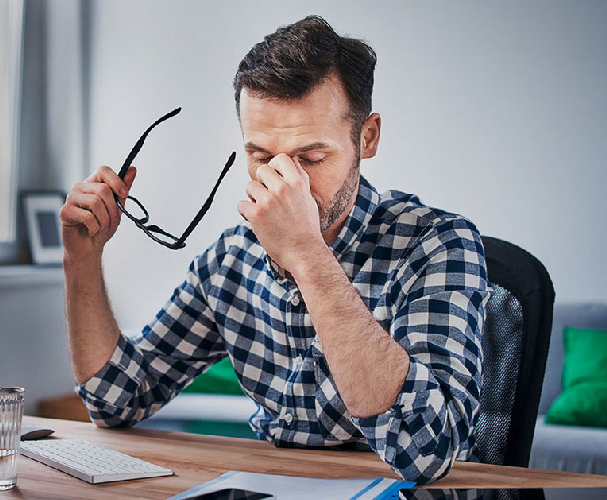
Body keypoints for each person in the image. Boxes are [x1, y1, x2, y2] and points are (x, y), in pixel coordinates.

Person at [59, 15, 489, 484]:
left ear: (367, 138)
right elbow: (115, 399)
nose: (286, 183)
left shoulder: (437, 245)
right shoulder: (231, 261)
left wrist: (307, 255)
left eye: (311, 157)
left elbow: (425, 451)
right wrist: (82, 262)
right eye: (261, 157)